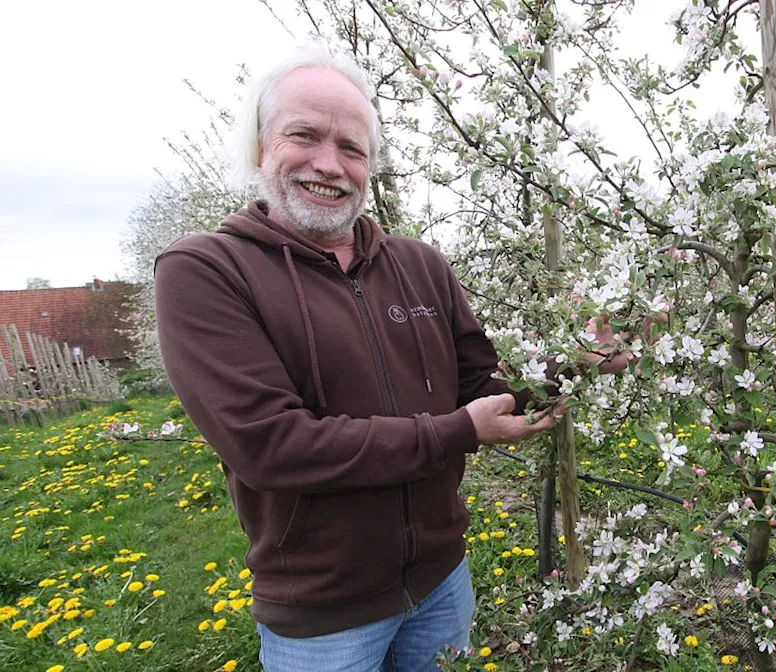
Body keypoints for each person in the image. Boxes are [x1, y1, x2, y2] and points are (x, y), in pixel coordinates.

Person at [154, 43, 627, 672]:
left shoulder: (420, 265)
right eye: (305, 135)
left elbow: (482, 387)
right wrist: (459, 432)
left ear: (371, 165)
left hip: (442, 580)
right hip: (323, 614)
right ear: (261, 147)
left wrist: (581, 361)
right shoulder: (206, 270)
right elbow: (269, 444)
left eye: (352, 148)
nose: (330, 164)